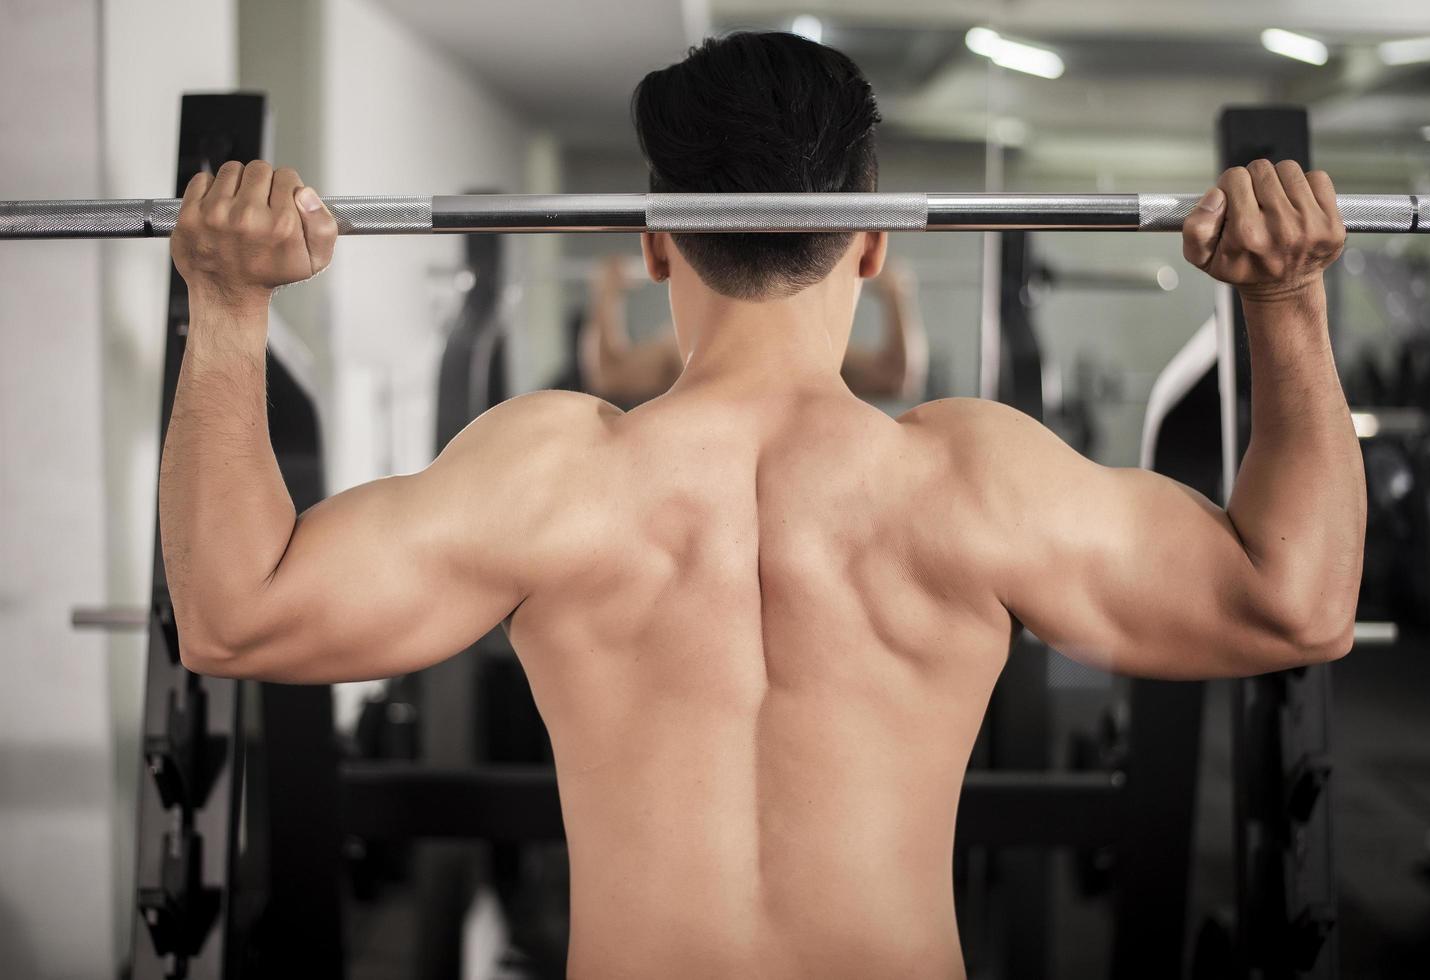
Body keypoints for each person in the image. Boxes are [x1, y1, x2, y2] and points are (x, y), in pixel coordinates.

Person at [160, 31, 1365, 980]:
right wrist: (1290, 303)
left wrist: (227, 305)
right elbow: (1294, 604)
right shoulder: (972, 481)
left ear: (652, 241)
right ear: (875, 241)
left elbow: (234, 617)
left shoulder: (550, 476)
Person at [579, 253, 927, 406]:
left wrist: (606, 296)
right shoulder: (812, 354)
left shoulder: (811, 352)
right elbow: (609, 375)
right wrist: (897, 297)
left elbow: (898, 377)